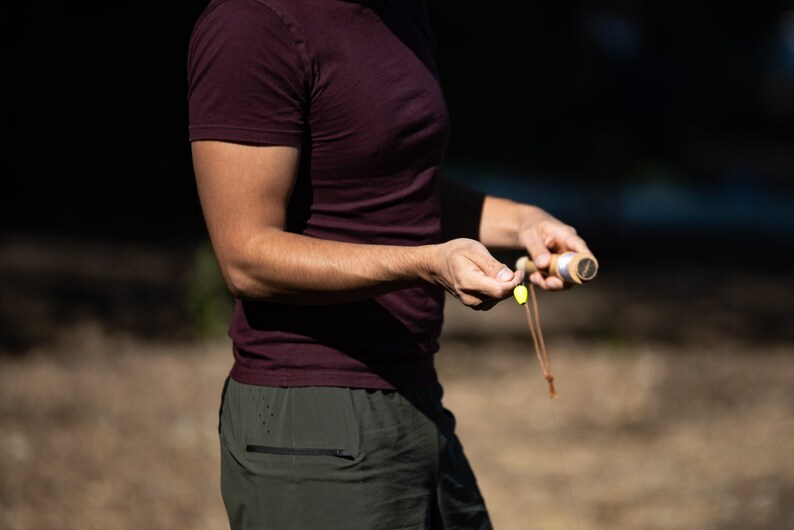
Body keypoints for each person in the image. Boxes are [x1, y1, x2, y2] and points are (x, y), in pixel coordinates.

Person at [187, 0, 591, 528]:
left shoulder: (403, 13)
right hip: (312, 420)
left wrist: (520, 224)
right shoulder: (251, 23)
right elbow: (246, 257)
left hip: (417, 396)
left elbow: (392, 186)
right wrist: (428, 264)